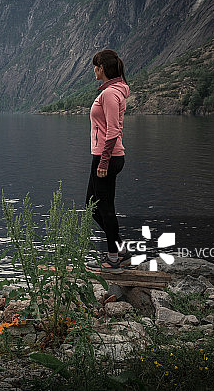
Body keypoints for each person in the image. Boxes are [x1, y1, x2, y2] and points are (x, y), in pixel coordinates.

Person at [86, 49, 130, 270]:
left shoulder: (110, 94)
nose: (93, 70)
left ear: (101, 68)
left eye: (95, 66)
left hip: (107, 157)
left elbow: (113, 131)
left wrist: (103, 162)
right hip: (104, 155)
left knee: (105, 208)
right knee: (92, 206)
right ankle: (121, 250)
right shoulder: (110, 91)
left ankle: (113, 258)